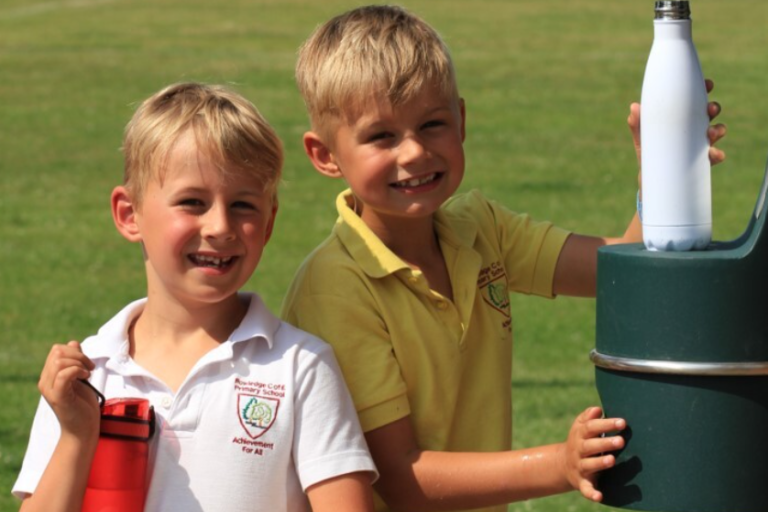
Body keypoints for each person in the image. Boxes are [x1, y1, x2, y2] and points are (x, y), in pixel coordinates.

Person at [280, 5, 727, 512]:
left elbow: (621, 273)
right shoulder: (337, 287)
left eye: (431, 124)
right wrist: (559, 464)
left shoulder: (481, 228)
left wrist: (660, 176)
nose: (413, 153)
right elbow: (401, 477)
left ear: (462, 120)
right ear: (325, 155)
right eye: (381, 136)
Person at [13, 82, 377, 512]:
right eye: (192, 202)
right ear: (129, 215)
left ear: (269, 221)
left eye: (243, 205)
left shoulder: (300, 367)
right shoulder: (88, 375)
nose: (220, 226)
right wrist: (77, 435)